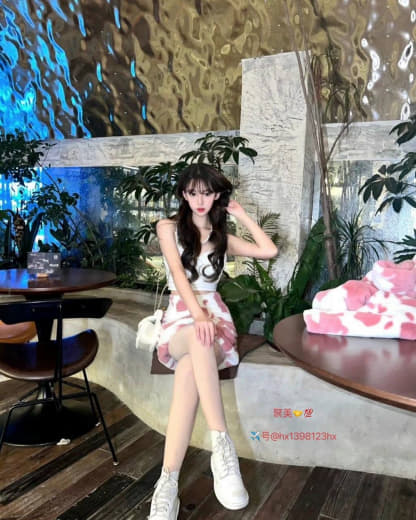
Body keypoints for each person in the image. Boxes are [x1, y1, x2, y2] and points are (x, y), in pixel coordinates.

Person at [148, 163, 278, 519]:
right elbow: (178, 273)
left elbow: (268, 251)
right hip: (181, 318)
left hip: (216, 322)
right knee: (196, 335)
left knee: (190, 368)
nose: (200, 199)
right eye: (192, 192)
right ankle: (222, 444)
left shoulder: (223, 239)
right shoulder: (168, 228)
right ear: (183, 195)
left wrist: (241, 214)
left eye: (207, 192)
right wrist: (198, 315)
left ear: (218, 194)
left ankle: (167, 483)